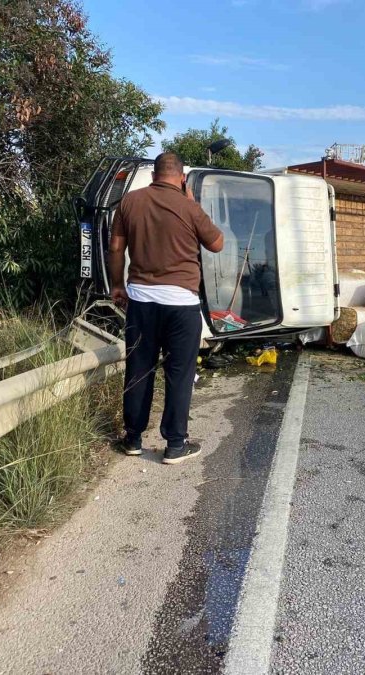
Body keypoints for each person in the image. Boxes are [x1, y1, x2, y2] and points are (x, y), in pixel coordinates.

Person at [108, 152, 224, 464]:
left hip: (141, 302)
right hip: (182, 306)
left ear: (154, 175)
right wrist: (192, 203)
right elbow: (217, 244)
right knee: (180, 374)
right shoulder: (189, 207)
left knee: (139, 369)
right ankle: (174, 445)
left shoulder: (130, 201)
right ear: (182, 178)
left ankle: (133, 439)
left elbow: (116, 248)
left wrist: (117, 285)